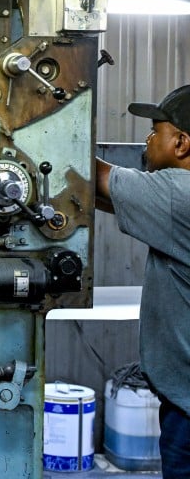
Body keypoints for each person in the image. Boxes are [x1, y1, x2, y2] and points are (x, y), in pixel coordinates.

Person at [96, 85, 190, 479]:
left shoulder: (178, 193)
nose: (147, 141)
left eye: (155, 132)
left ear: (181, 143)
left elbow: (94, 178)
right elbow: (109, 197)